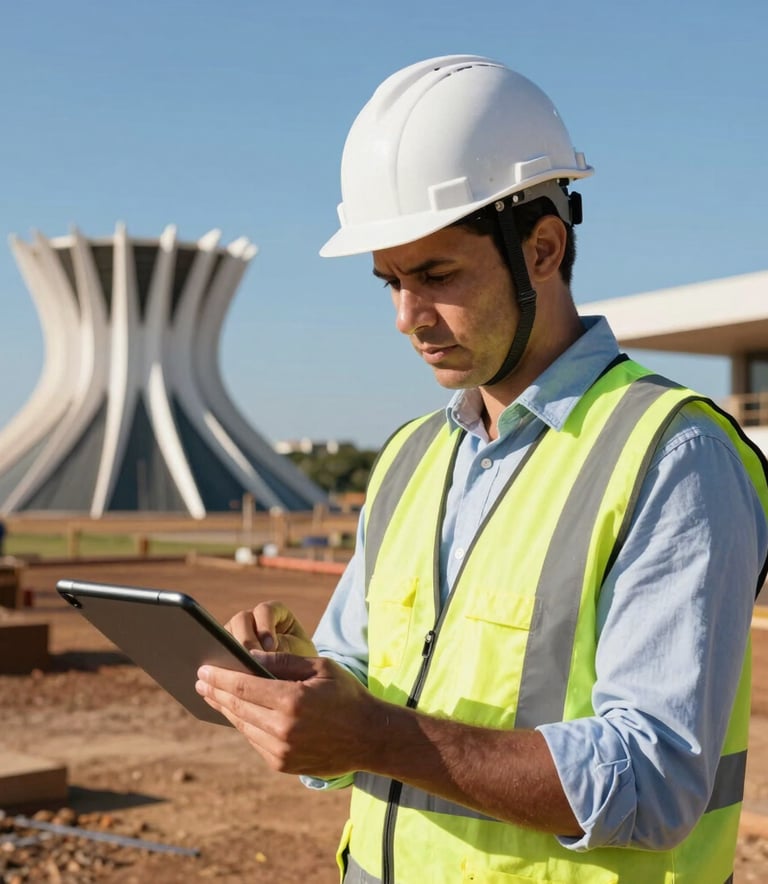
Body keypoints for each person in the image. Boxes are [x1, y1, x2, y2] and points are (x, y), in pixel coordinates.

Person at [195, 55, 768, 883]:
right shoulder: (412, 458)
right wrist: (308, 686)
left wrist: (370, 736)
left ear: (542, 247)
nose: (406, 318)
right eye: (389, 281)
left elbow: (654, 780)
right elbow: (367, 677)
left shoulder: (674, 456)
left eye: (435, 276)